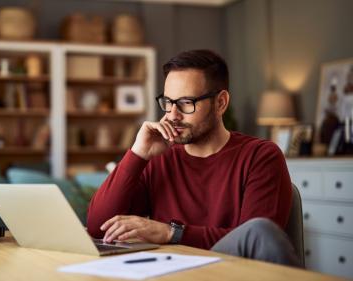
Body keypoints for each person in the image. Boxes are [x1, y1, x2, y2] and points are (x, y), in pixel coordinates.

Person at [87, 49, 300, 267]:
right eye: (168, 102)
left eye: (186, 102)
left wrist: (172, 233)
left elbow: (256, 242)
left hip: (230, 271)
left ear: (221, 103)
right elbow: (97, 227)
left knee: (259, 230)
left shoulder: (261, 156)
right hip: (172, 274)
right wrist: (137, 154)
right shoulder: (159, 159)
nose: (172, 115)